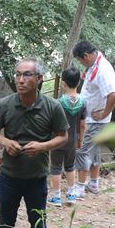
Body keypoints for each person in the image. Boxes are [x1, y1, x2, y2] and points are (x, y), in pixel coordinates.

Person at [0, 58, 68, 228]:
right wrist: (6, 142)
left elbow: (63, 136)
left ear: (39, 78)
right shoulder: (5, 104)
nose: (20, 79)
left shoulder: (52, 106)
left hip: (37, 177)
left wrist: (42, 146)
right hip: (9, 176)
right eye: (18, 74)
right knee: (6, 223)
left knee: (39, 224)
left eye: (26, 74)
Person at [72, 40, 115, 195]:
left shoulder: (102, 70)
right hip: (94, 118)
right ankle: (93, 183)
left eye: (80, 60)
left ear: (86, 56)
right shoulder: (95, 65)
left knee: (83, 150)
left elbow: (113, 94)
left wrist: (104, 113)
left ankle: (79, 187)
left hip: (95, 120)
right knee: (94, 151)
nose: (80, 63)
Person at [48, 67, 86, 206]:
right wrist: (80, 140)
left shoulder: (57, 103)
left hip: (58, 140)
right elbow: (82, 124)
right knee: (71, 166)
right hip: (73, 141)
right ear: (78, 83)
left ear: (63, 83)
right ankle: (71, 194)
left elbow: (52, 123)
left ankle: (56, 197)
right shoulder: (83, 102)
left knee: (56, 167)